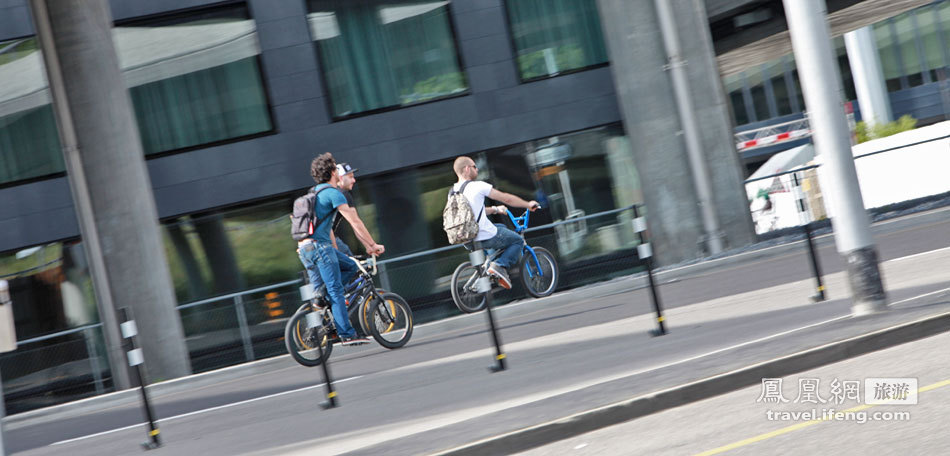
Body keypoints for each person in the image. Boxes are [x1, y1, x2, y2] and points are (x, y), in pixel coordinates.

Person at [298, 153, 385, 345]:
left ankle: (322, 304)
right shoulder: (333, 193)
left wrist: (334, 251)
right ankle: (347, 335)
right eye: (336, 169)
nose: (339, 172)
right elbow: (355, 222)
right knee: (336, 290)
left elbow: (326, 227)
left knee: (350, 267)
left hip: (304, 249)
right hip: (320, 249)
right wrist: (372, 245)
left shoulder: (313, 193)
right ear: (331, 172)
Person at [451, 156, 539, 289]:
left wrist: (495, 209)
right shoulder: (478, 186)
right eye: (474, 166)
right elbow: (506, 198)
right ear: (467, 169)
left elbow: (473, 212)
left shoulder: (453, 191)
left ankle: (489, 267)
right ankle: (499, 265)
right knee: (517, 241)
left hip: (466, 239)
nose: (477, 169)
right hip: (484, 235)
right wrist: (527, 204)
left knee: (501, 228)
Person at [330, 162, 358, 258]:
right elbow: (356, 223)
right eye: (350, 177)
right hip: (327, 240)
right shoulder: (343, 194)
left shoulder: (327, 192)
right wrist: (371, 245)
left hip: (309, 245)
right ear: (341, 178)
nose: (354, 180)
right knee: (352, 266)